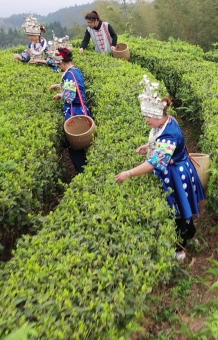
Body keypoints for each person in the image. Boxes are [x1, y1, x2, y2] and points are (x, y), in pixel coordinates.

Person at [115, 76, 205, 262]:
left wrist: (129, 173)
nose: (146, 120)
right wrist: (148, 146)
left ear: (157, 116)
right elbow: (159, 142)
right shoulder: (167, 122)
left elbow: (155, 162)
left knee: (178, 212)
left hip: (177, 176)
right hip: (176, 168)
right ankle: (191, 235)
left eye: (148, 117)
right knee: (182, 209)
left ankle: (181, 248)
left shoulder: (169, 134)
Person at [48, 47, 93, 173]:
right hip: (82, 109)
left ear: (62, 63)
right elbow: (74, 86)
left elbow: (70, 95)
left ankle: (82, 171)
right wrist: (59, 86)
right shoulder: (75, 70)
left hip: (75, 111)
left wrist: (60, 95)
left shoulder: (69, 74)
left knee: (75, 144)